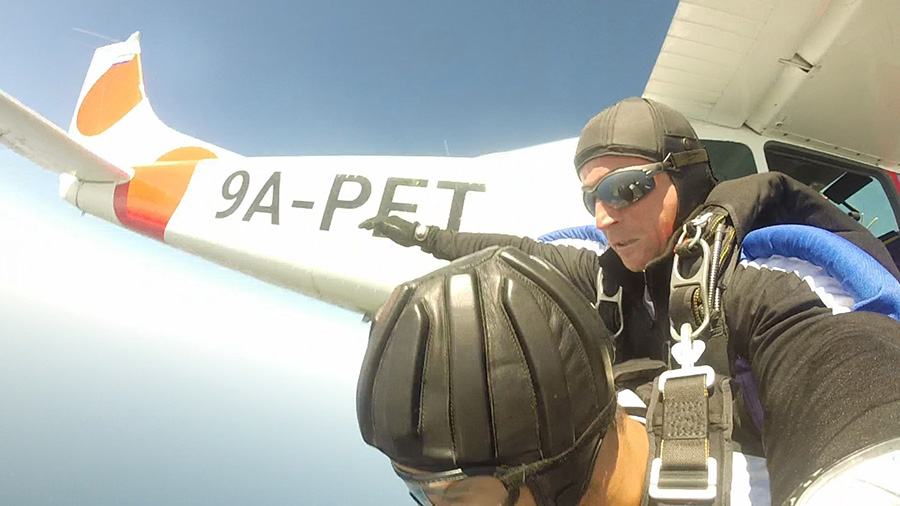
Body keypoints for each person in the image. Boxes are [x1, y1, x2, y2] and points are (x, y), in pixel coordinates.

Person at [359, 97, 900, 502]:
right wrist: (429, 237)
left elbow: (849, 372)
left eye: (623, 190)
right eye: (590, 198)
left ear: (685, 178)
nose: (603, 217)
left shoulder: (761, 279)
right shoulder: (611, 276)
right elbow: (520, 252)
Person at [357, 247, 900, 505]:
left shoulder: (755, 480)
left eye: (456, 500)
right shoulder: (618, 390)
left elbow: (839, 360)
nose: (608, 214)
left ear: (556, 471)